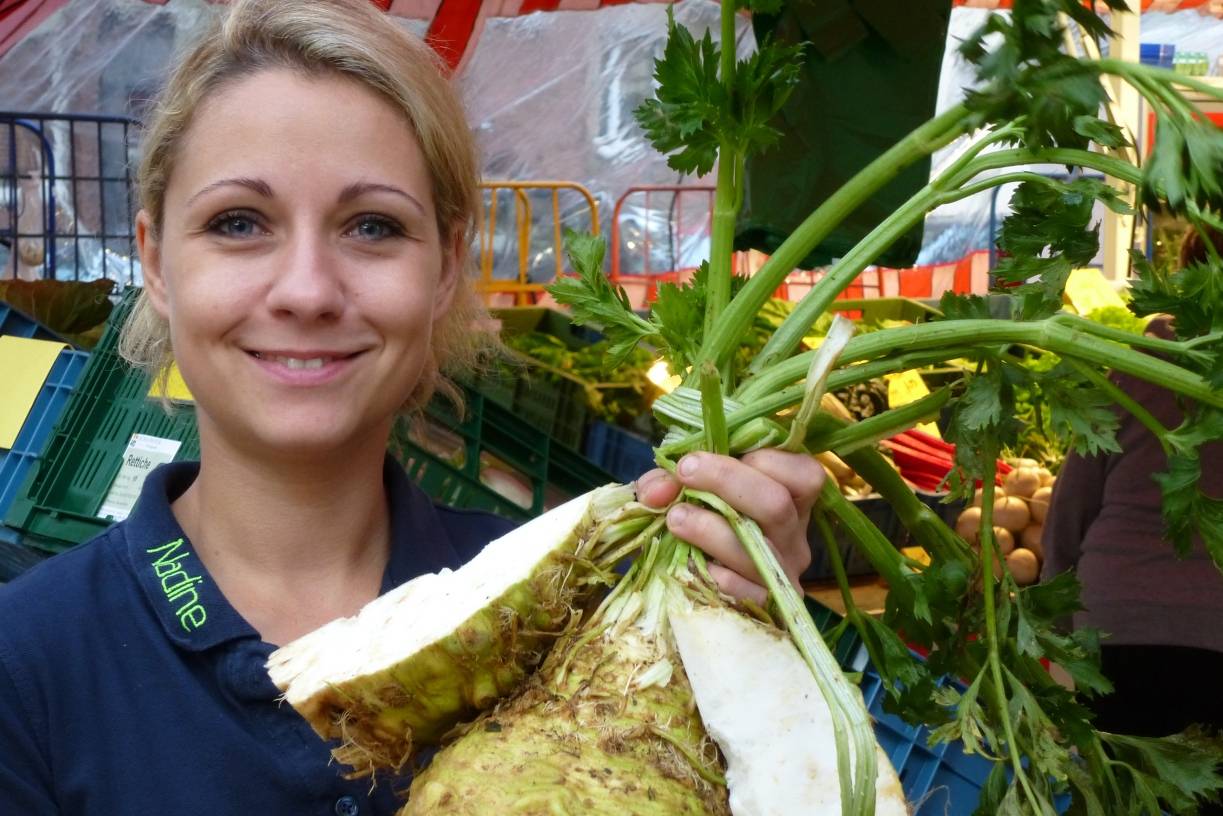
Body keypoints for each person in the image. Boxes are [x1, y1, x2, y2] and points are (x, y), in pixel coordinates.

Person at [0, 1, 819, 813]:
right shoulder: (25, 664)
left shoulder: (586, 605)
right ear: (155, 261)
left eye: (372, 227)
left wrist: (747, 642)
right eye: (239, 222)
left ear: (445, 267)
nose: (309, 290)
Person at [1041, 229, 1223, 765]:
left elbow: (1073, 502)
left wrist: (1055, 629)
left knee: (1116, 789)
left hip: (1113, 621)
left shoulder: (1152, 349)